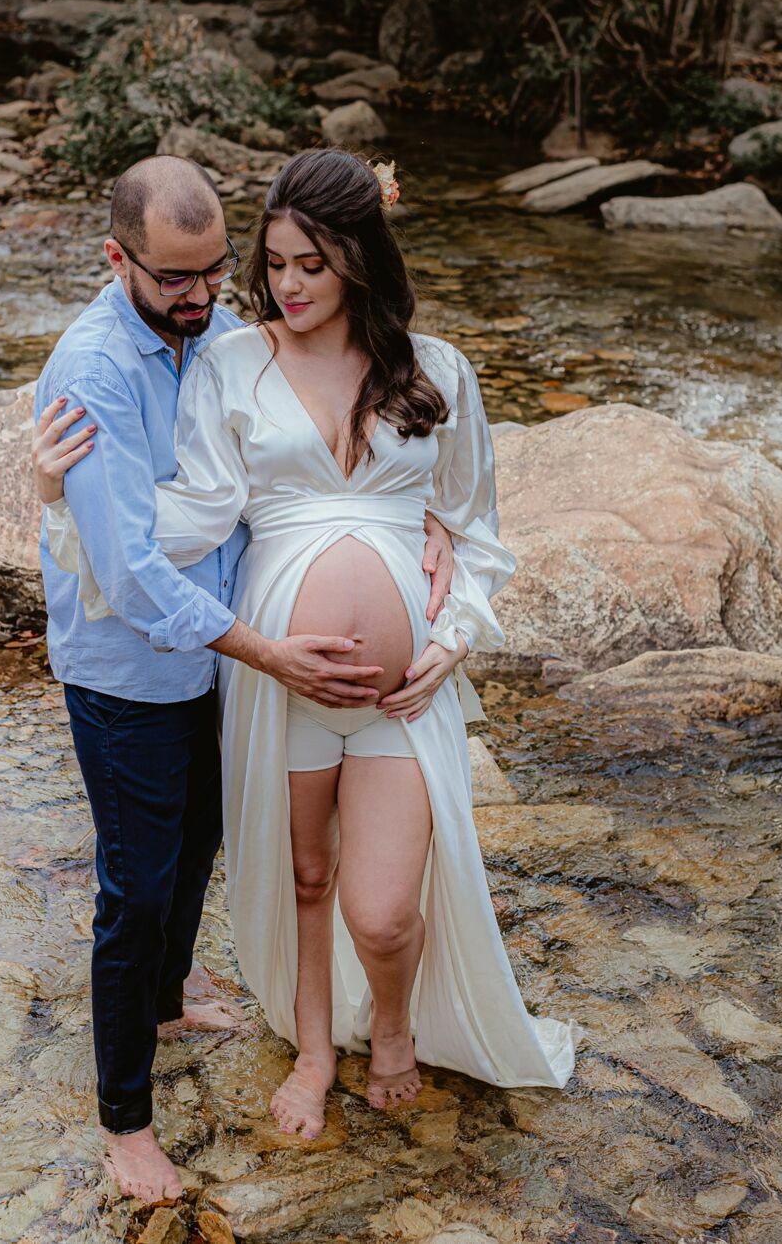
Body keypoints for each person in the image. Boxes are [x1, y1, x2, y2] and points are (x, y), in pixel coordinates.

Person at [35, 149, 576, 1146]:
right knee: (292, 880)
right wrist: (62, 504)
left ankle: (402, 1026)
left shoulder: (437, 370)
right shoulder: (236, 362)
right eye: (275, 264)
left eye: (309, 266)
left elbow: (479, 530)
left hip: (401, 696)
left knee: (380, 911)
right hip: (274, 684)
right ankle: (298, 1057)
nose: (283, 285)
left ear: (360, 262)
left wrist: (452, 639)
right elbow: (190, 515)